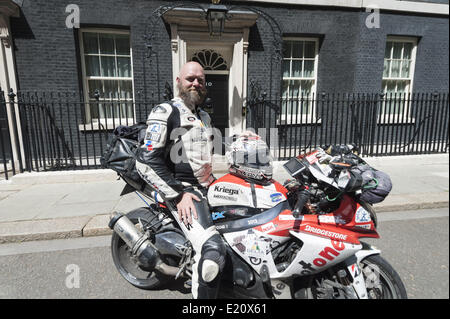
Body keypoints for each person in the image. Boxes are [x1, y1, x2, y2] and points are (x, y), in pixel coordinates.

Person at [135, 61, 226, 299]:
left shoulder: (204, 116)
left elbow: (212, 149)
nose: (196, 83)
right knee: (211, 249)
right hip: (182, 189)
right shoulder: (166, 112)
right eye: (190, 78)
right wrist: (178, 194)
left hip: (208, 185)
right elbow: (145, 160)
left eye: (200, 80)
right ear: (179, 82)